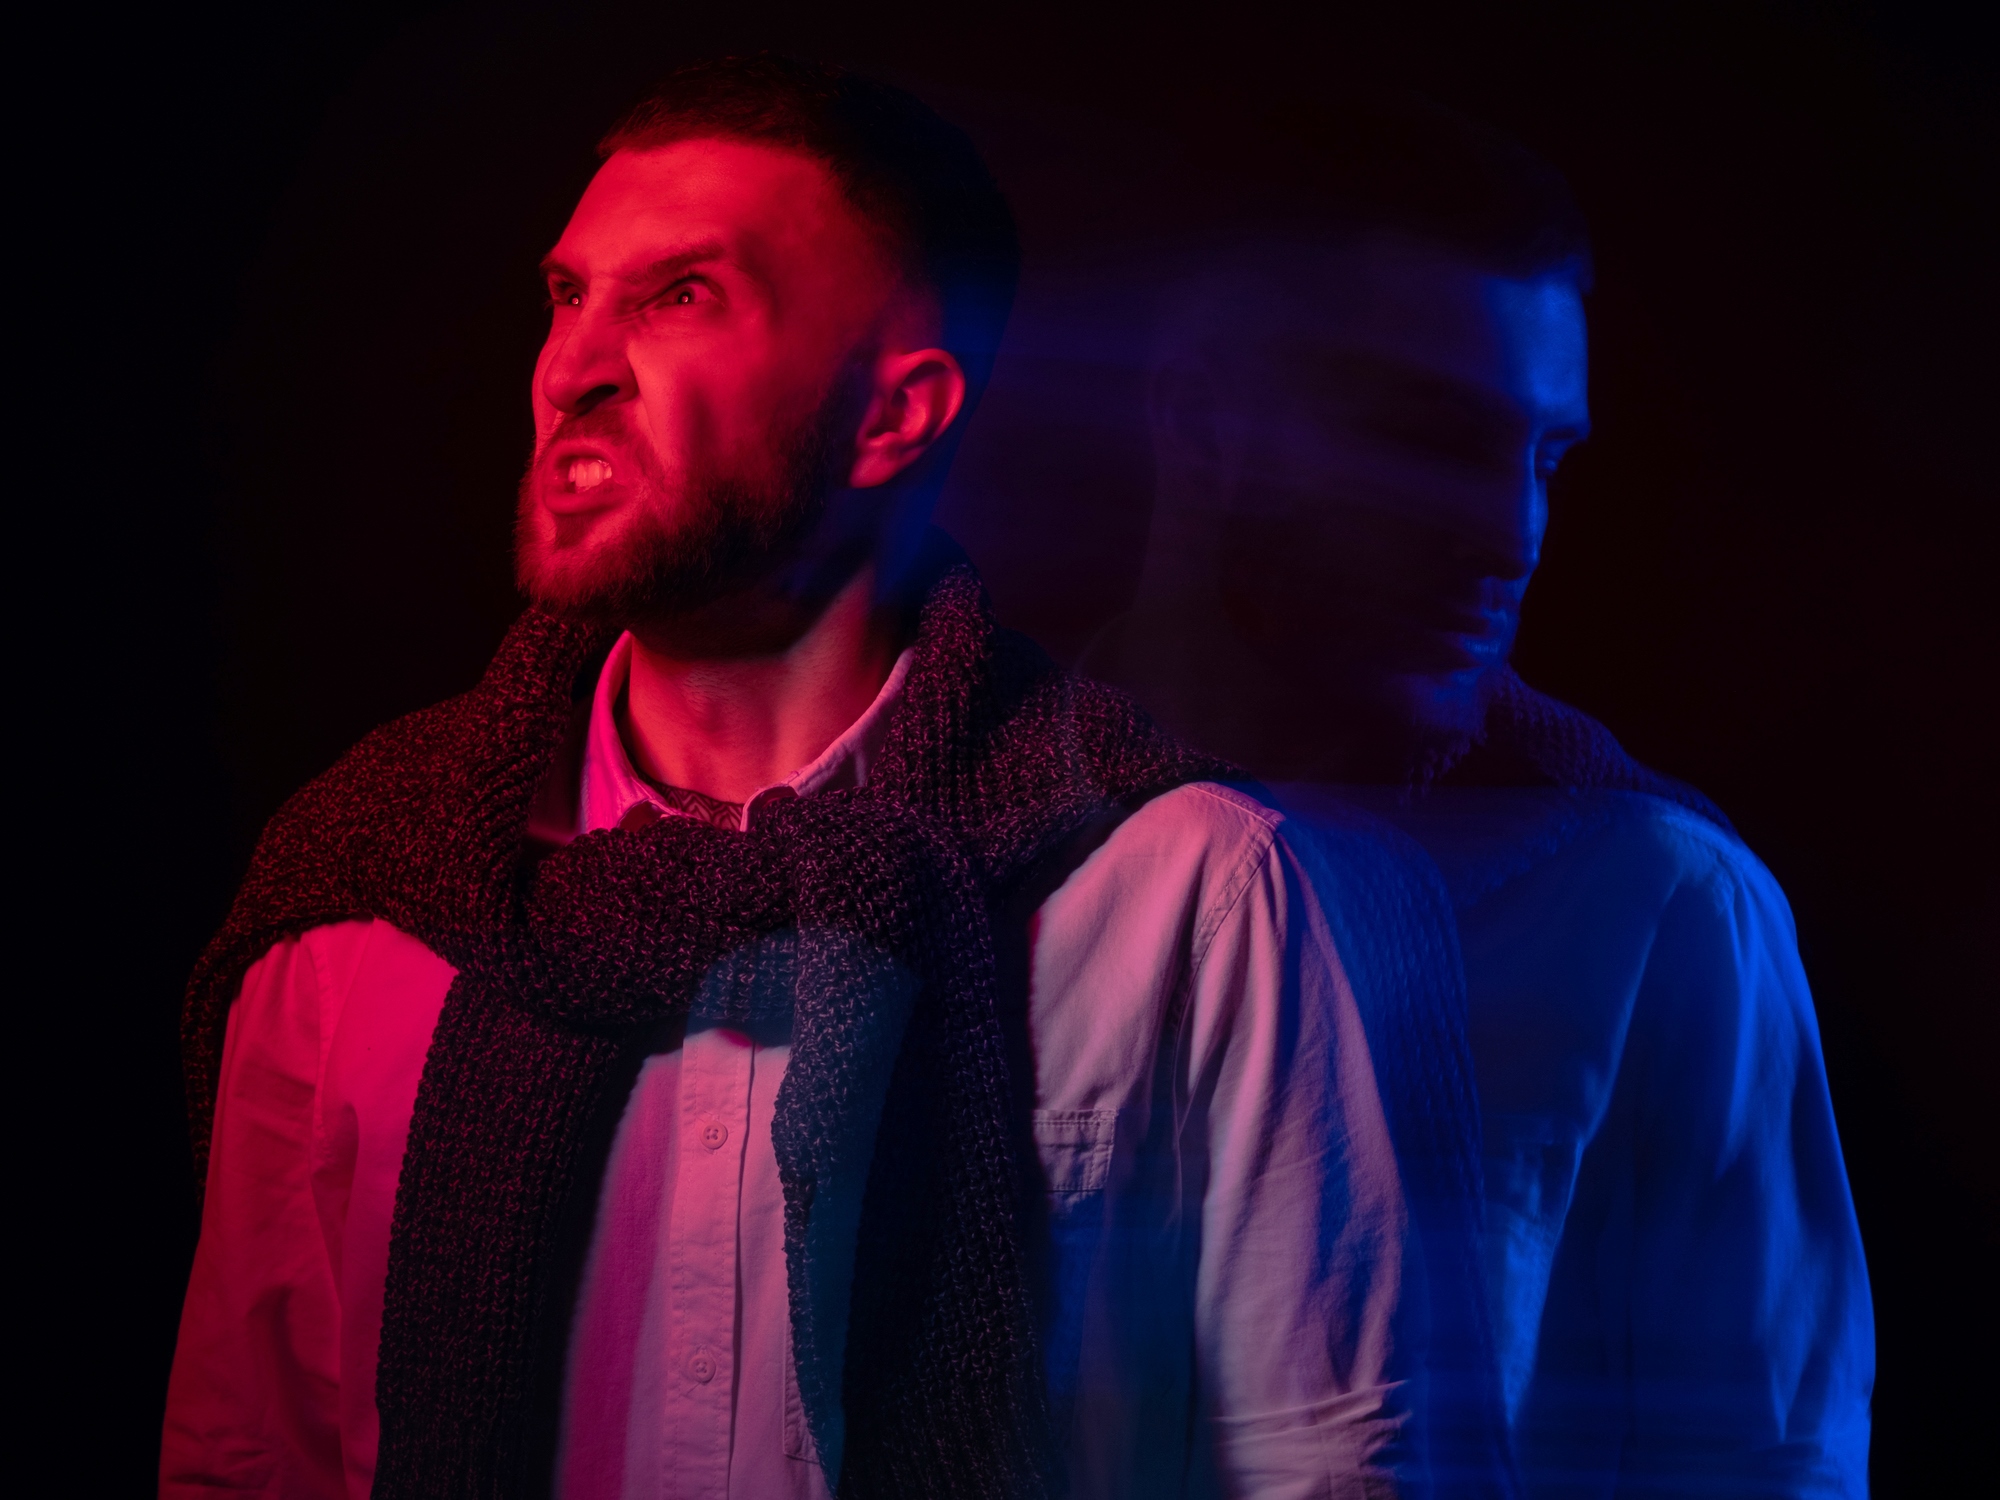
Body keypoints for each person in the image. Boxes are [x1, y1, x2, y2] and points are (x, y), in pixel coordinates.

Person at [162, 57, 1432, 1500]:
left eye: (681, 296)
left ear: (895, 417)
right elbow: (244, 1464)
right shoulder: (363, 900)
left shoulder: (1188, 893)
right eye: (570, 295)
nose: (573, 367)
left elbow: (1338, 1470)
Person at [1086, 95, 1875, 1497]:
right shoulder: (960, 850)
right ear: (1205, 418)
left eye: (1546, 458)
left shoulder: (1655, 912)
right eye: (1429, 440)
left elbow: (1770, 1463)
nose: (1511, 534)